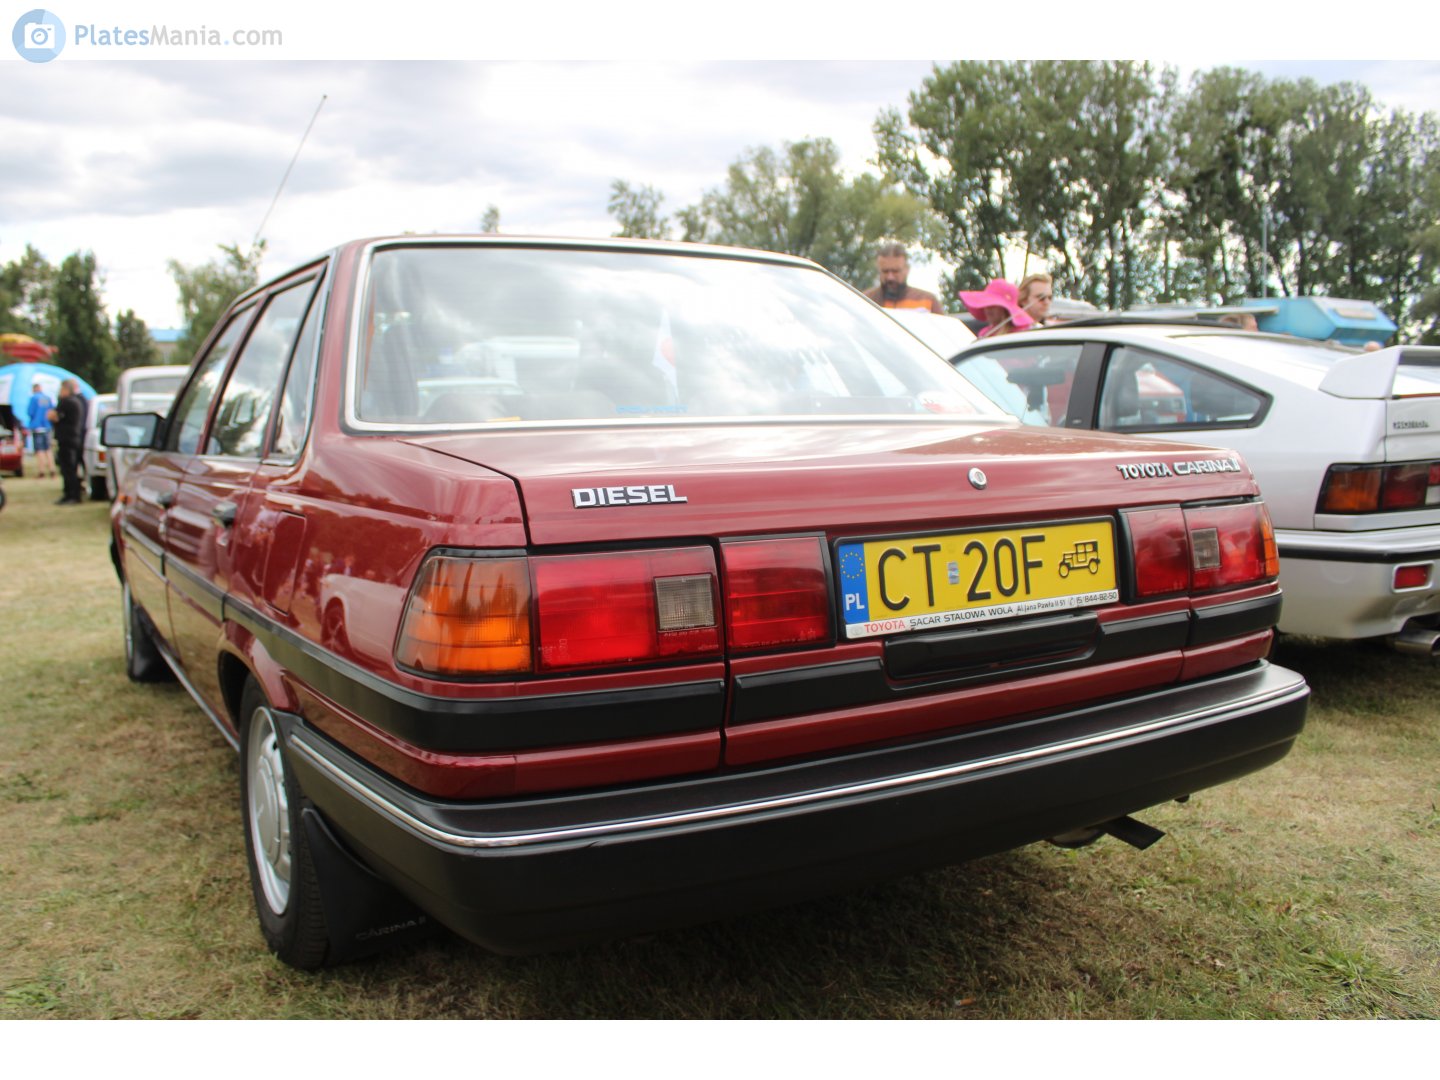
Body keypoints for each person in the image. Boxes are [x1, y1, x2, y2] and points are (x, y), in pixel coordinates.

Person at [863, 242, 944, 313]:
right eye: (885, 271)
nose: (890, 277)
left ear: (907, 270)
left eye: (895, 271)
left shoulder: (928, 301)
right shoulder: (865, 300)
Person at [958, 278, 1034, 338]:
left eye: (993, 305)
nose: (988, 308)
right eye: (985, 303)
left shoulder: (1022, 333)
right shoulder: (985, 333)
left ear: (1005, 310)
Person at [52, 379, 85, 505]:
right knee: (71, 468)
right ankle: (71, 493)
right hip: (74, 438)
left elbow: (53, 416)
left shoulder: (66, 402)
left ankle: (72, 494)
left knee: (68, 468)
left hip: (67, 439)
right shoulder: (77, 401)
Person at [25, 381, 56, 478]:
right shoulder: (47, 398)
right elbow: (51, 411)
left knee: (39, 450)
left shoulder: (34, 398)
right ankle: (52, 469)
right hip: (47, 426)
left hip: (37, 427)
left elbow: (30, 412)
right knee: (48, 449)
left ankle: (41, 470)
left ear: (34, 389)